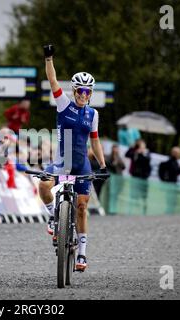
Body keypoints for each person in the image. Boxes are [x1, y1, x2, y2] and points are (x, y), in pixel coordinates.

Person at [38, 44, 108, 272]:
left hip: (81, 164)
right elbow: (53, 81)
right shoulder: (64, 104)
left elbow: (95, 140)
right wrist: (49, 58)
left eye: (88, 92)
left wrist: (103, 164)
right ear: (75, 90)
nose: (84, 96)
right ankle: (52, 215)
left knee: (81, 207)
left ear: (91, 94)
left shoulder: (93, 114)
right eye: (80, 91)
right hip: (61, 161)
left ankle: (82, 253)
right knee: (43, 185)